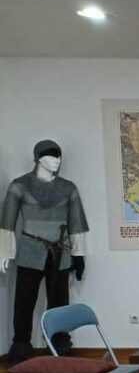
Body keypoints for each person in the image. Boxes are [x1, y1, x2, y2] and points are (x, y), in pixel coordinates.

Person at [0, 140, 90, 361]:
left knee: (60, 303)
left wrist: (79, 255)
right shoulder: (19, 186)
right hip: (30, 250)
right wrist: (5, 253)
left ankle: (60, 344)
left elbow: (76, 223)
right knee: (24, 301)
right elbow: (7, 223)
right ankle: (21, 345)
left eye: (58, 156)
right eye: (50, 156)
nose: (56, 161)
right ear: (38, 158)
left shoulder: (68, 188)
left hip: (60, 251)